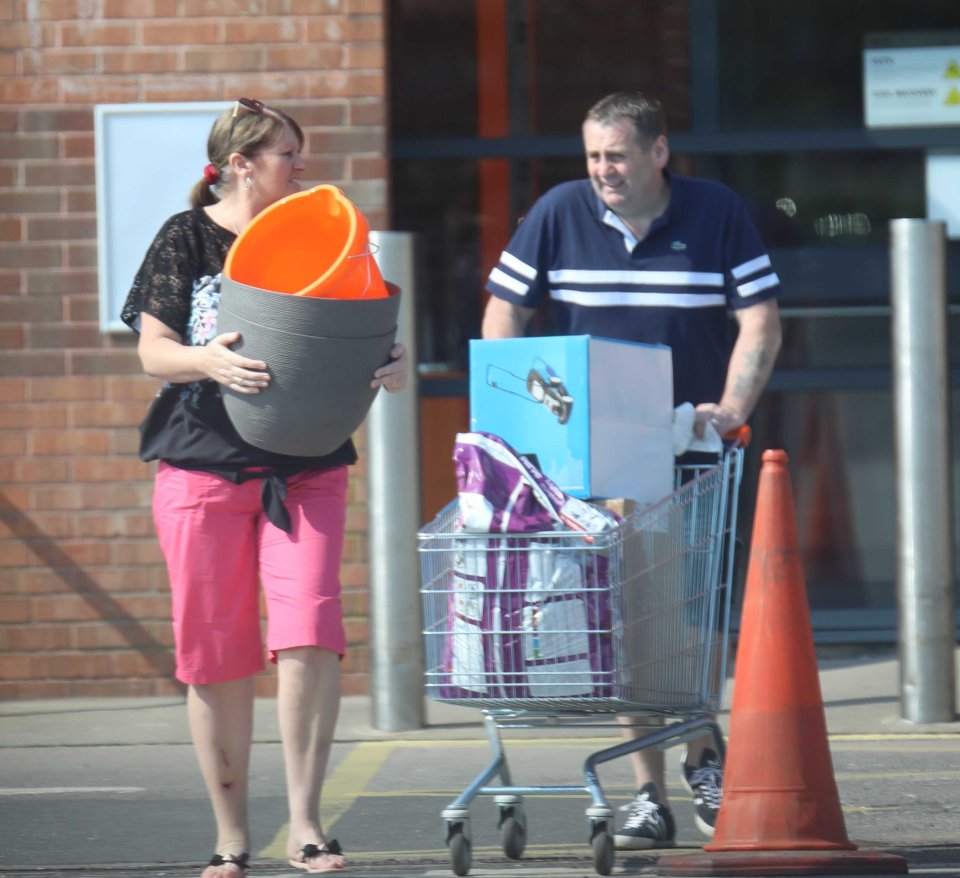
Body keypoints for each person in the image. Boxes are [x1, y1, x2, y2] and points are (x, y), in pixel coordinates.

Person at [481, 91, 782, 850]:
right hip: (590, 454)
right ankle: (652, 791)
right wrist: (515, 404)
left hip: (687, 449)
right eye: (592, 156)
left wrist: (730, 405)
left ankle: (701, 755)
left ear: (657, 152)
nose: (603, 171)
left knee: (676, 617)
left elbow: (760, 320)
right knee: (625, 620)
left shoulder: (715, 213)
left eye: (616, 155)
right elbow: (504, 309)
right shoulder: (558, 212)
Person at [121, 98, 408, 877]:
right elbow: (153, 352)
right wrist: (208, 360)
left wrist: (387, 361)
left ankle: (309, 827)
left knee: (310, 632)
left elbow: (369, 329)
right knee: (214, 651)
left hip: (307, 463)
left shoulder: (334, 241)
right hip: (202, 465)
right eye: (287, 154)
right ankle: (230, 837)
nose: (301, 167)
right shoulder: (186, 236)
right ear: (241, 163)